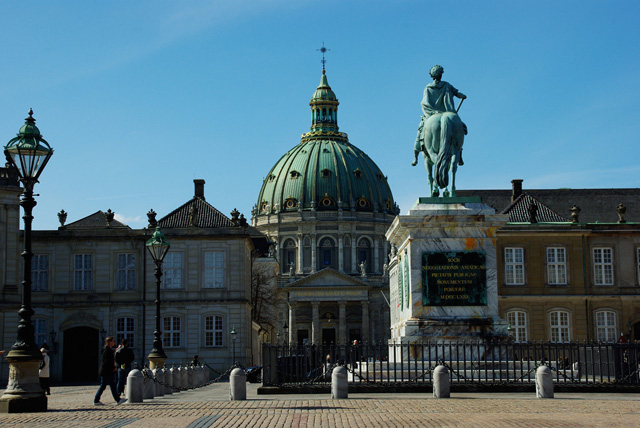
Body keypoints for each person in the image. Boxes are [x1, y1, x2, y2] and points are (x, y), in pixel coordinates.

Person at [413, 64, 467, 165]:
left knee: (421, 129)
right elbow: (457, 93)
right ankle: (459, 154)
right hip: (448, 112)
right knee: (461, 127)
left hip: (431, 114)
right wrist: (462, 96)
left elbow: (424, 103)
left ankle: (416, 154)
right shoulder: (446, 85)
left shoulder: (428, 88)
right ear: (439, 75)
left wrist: (433, 111)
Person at [94, 336, 126, 405]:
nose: (114, 342)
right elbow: (107, 362)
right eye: (113, 341)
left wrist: (117, 349)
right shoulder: (107, 351)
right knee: (113, 385)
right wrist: (113, 368)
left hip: (107, 370)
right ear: (109, 342)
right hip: (108, 371)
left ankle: (96, 400)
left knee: (105, 385)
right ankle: (118, 399)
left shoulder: (108, 349)